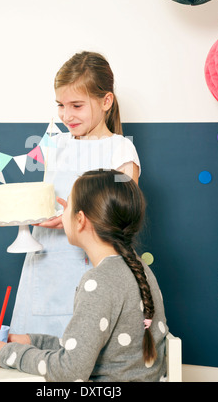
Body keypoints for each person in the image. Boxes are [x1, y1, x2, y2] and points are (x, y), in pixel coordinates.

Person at [0, 170, 168, 382]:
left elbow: (69, 371)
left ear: (80, 220)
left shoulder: (99, 282)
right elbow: (88, 349)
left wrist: (6, 354)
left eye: (67, 206)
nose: (63, 213)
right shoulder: (139, 267)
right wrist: (32, 340)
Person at [10, 51, 141, 337]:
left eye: (77, 105)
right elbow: (46, 199)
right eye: (60, 105)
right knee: (33, 353)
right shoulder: (56, 145)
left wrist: (75, 213)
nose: (66, 115)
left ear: (106, 101)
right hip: (45, 264)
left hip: (90, 267)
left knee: (80, 351)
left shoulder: (120, 150)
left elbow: (124, 212)